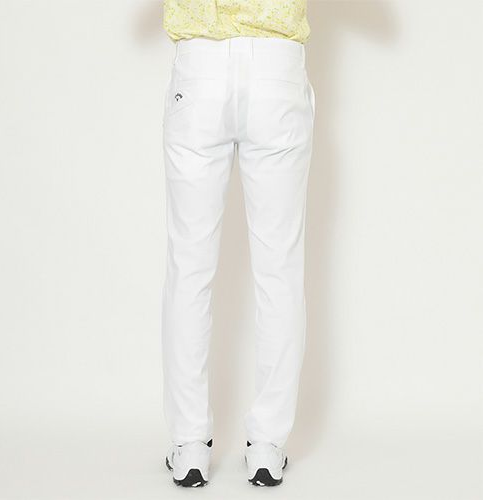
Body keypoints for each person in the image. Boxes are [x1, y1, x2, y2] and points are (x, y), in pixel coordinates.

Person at [160, 0, 315, 488]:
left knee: (189, 266)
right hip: (276, 69)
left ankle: (189, 446)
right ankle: (267, 446)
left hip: (199, 68)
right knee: (279, 269)